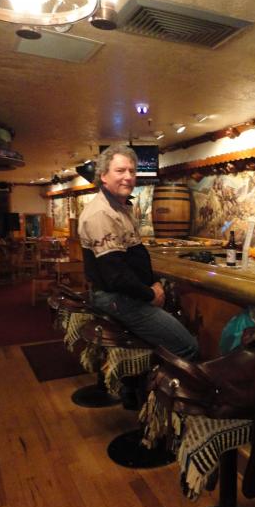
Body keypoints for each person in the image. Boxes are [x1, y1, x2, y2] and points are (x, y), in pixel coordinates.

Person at [78, 144, 198, 360]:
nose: (128, 177)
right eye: (120, 170)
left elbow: (135, 257)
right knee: (188, 346)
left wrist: (155, 283)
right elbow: (116, 276)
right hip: (116, 299)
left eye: (132, 171)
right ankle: (155, 380)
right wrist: (151, 294)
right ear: (103, 176)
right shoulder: (101, 214)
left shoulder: (120, 207)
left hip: (128, 294)